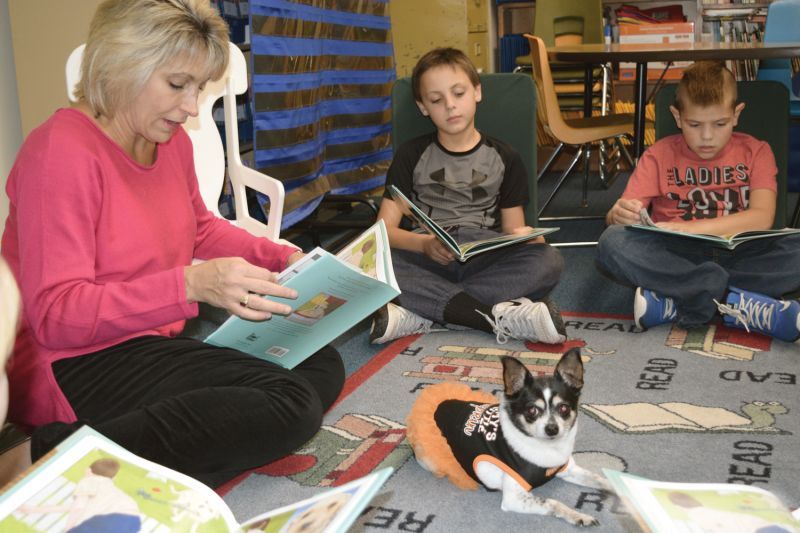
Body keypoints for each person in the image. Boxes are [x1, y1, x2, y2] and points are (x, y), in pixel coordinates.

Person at [0, 0, 344, 488]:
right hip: (73, 361)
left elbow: (199, 227)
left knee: (316, 356)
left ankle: (132, 455)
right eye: (177, 85)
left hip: (148, 339)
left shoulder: (170, 143)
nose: (190, 108)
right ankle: (43, 456)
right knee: (289, 403)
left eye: (199, 88)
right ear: (122, 66)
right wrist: (188, 285)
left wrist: (286, 256)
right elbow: (57, 315)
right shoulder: (60, 152)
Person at [370, 47, 566, 345]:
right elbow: (383, 231)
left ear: (477, 92)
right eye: (436, 100)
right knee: (370, 264)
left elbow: (513, 228)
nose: (450, 106)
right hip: (427, 252)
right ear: (423, 107)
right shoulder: (411, 154)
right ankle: (488, 314)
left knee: (548, 260)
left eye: (458, 93)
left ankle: (421, 312)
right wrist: (423, 245)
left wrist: (529, 236)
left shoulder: (505, 157)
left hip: (483, 254)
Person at [596, 61, 800, 342]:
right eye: (694, 124)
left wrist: (689, 228)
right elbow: (623, 217)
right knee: (612, 241)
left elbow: (762, 217)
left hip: (741, 253)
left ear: (736, 114)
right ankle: (740, 302)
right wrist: (617, 214)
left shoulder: (757, 151)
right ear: (677, 117)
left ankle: (678, 298)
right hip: (677, 255)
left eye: (719, 124)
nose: (707, 137)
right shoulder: (658, 155)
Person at [19, 458, 142, 533]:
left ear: (88, 470)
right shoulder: (109, 487)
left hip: (110, 519)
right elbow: (74, 507)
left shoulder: (89, 481)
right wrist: (34, 509)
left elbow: (77, 508)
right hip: (134, 522)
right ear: (114, 478)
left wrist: (68, 529)